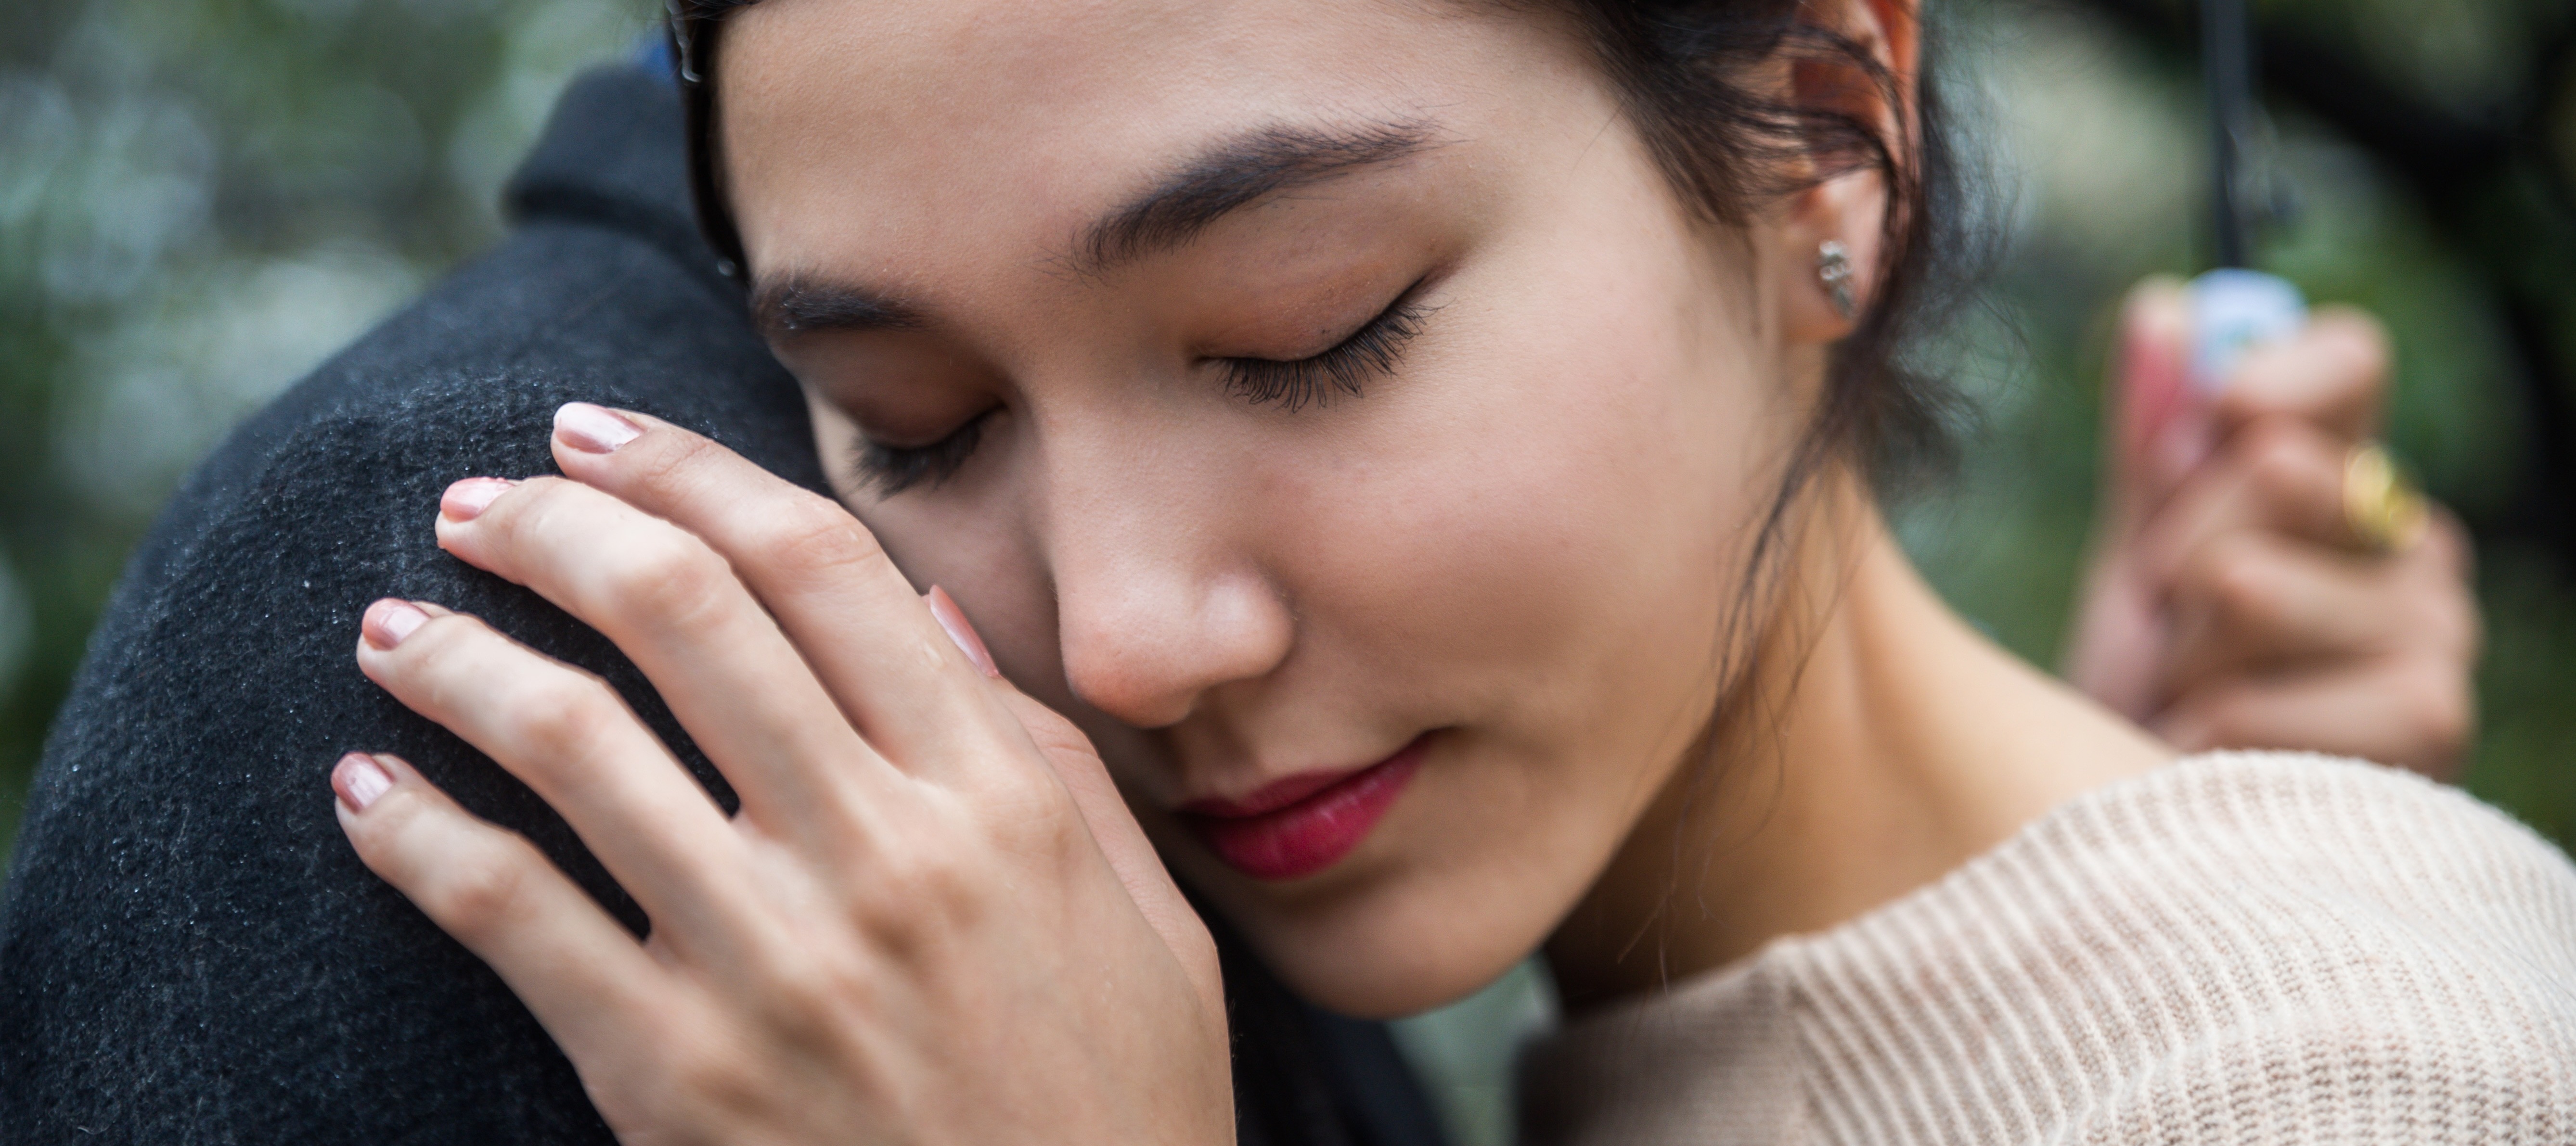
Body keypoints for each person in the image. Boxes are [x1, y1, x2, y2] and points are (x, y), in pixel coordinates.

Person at [0, 2, 2504, 1141]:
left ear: (1824, 137)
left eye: (1307, 336)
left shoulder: (2332, 1083)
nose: (1120, 636)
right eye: (918, 424)